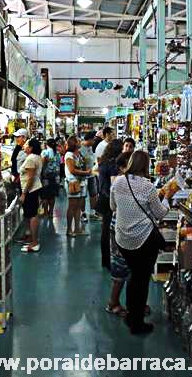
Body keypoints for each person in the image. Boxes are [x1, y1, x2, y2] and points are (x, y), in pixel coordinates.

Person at [111, 150, 174, 335]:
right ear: (146, 166)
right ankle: (137, 323)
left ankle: (132, 316)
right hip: (143, 239)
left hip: (123, 238)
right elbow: (160, 213)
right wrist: (167, 198)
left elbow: (113, 206)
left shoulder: (118, 181)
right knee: (141, 280)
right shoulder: (148, 187)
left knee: (134, 276)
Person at [97, 139, 124, 270]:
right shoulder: (113, 164)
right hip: (109, 199)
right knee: (110, 231)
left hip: (103, 197)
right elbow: (114, 185)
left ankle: (105, 260)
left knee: (105, 230)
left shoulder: (103, 162)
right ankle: (111, 261)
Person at [19, 138, 43, 253]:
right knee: (32, 214)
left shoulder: (31, 159)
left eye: (26, 144)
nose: (24, 146)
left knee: (32, 215)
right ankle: (32, 239)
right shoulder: (36, 157)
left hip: (30, 190)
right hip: (34, 188)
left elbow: (30, 178)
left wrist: (24, 193)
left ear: (31, 147)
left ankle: (34, 243)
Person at [64, 136, 90, 236]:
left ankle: (77, 229)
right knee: (72, 206)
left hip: (81, 182)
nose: (81, 142)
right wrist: (86, 172)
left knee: (78, 206)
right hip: (73, 182)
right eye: (78, 141)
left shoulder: (79, 154)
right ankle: (69, 229)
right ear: (73, 143)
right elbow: (72, 170)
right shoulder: (69, 155)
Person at [40, 138, 61, 216]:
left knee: (45, 196)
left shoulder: (45, 152)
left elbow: (42, 164)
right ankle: (51, 212)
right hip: (56, 177)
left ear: (47, 144)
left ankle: (45, 212)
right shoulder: (57, 153)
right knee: (52, 195)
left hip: (46, 177)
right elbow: (59, 163)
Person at [79, 131, 97, 222]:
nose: (94, 141)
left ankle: (93, 213)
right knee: (83, 195)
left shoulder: (90, 147)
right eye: (93, 139)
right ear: (89, 139)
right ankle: (82, 213)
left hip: (91, 175)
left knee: (93, 194)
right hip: (83, 176)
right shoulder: (80, 148)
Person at [9, 129, 28, 201]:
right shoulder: (18, 148)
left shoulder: (28, 150)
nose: (16, 139)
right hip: (17, 178)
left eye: (18, 137)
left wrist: (18, 178)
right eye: (15, 137)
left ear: (24, 138)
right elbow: (14, 161)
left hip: (23, 180)